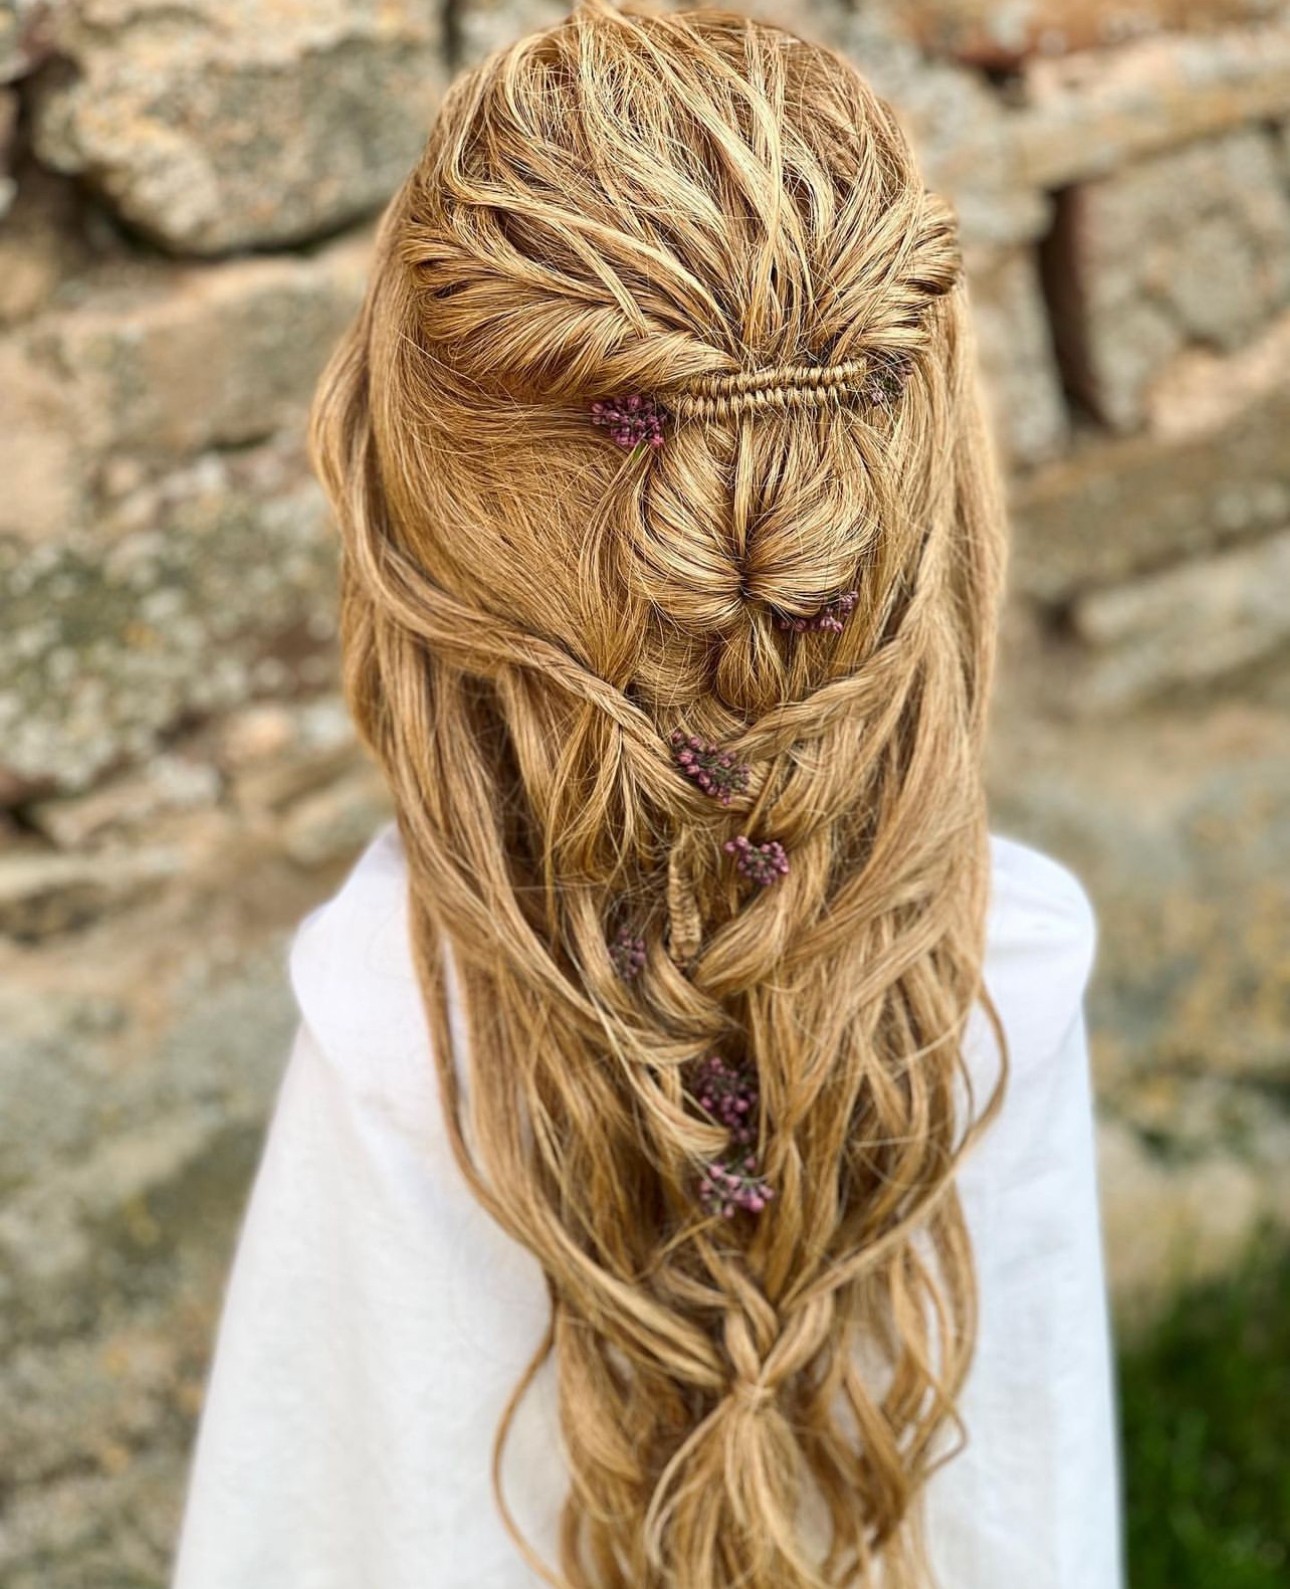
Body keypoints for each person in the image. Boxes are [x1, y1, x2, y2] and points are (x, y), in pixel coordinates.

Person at [170, 4, 1124, 1586]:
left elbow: (320, 1511)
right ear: (922, 480)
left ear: (419, 505)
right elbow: (1023, 1504)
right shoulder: (1011, 963)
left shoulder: (390, 1019)